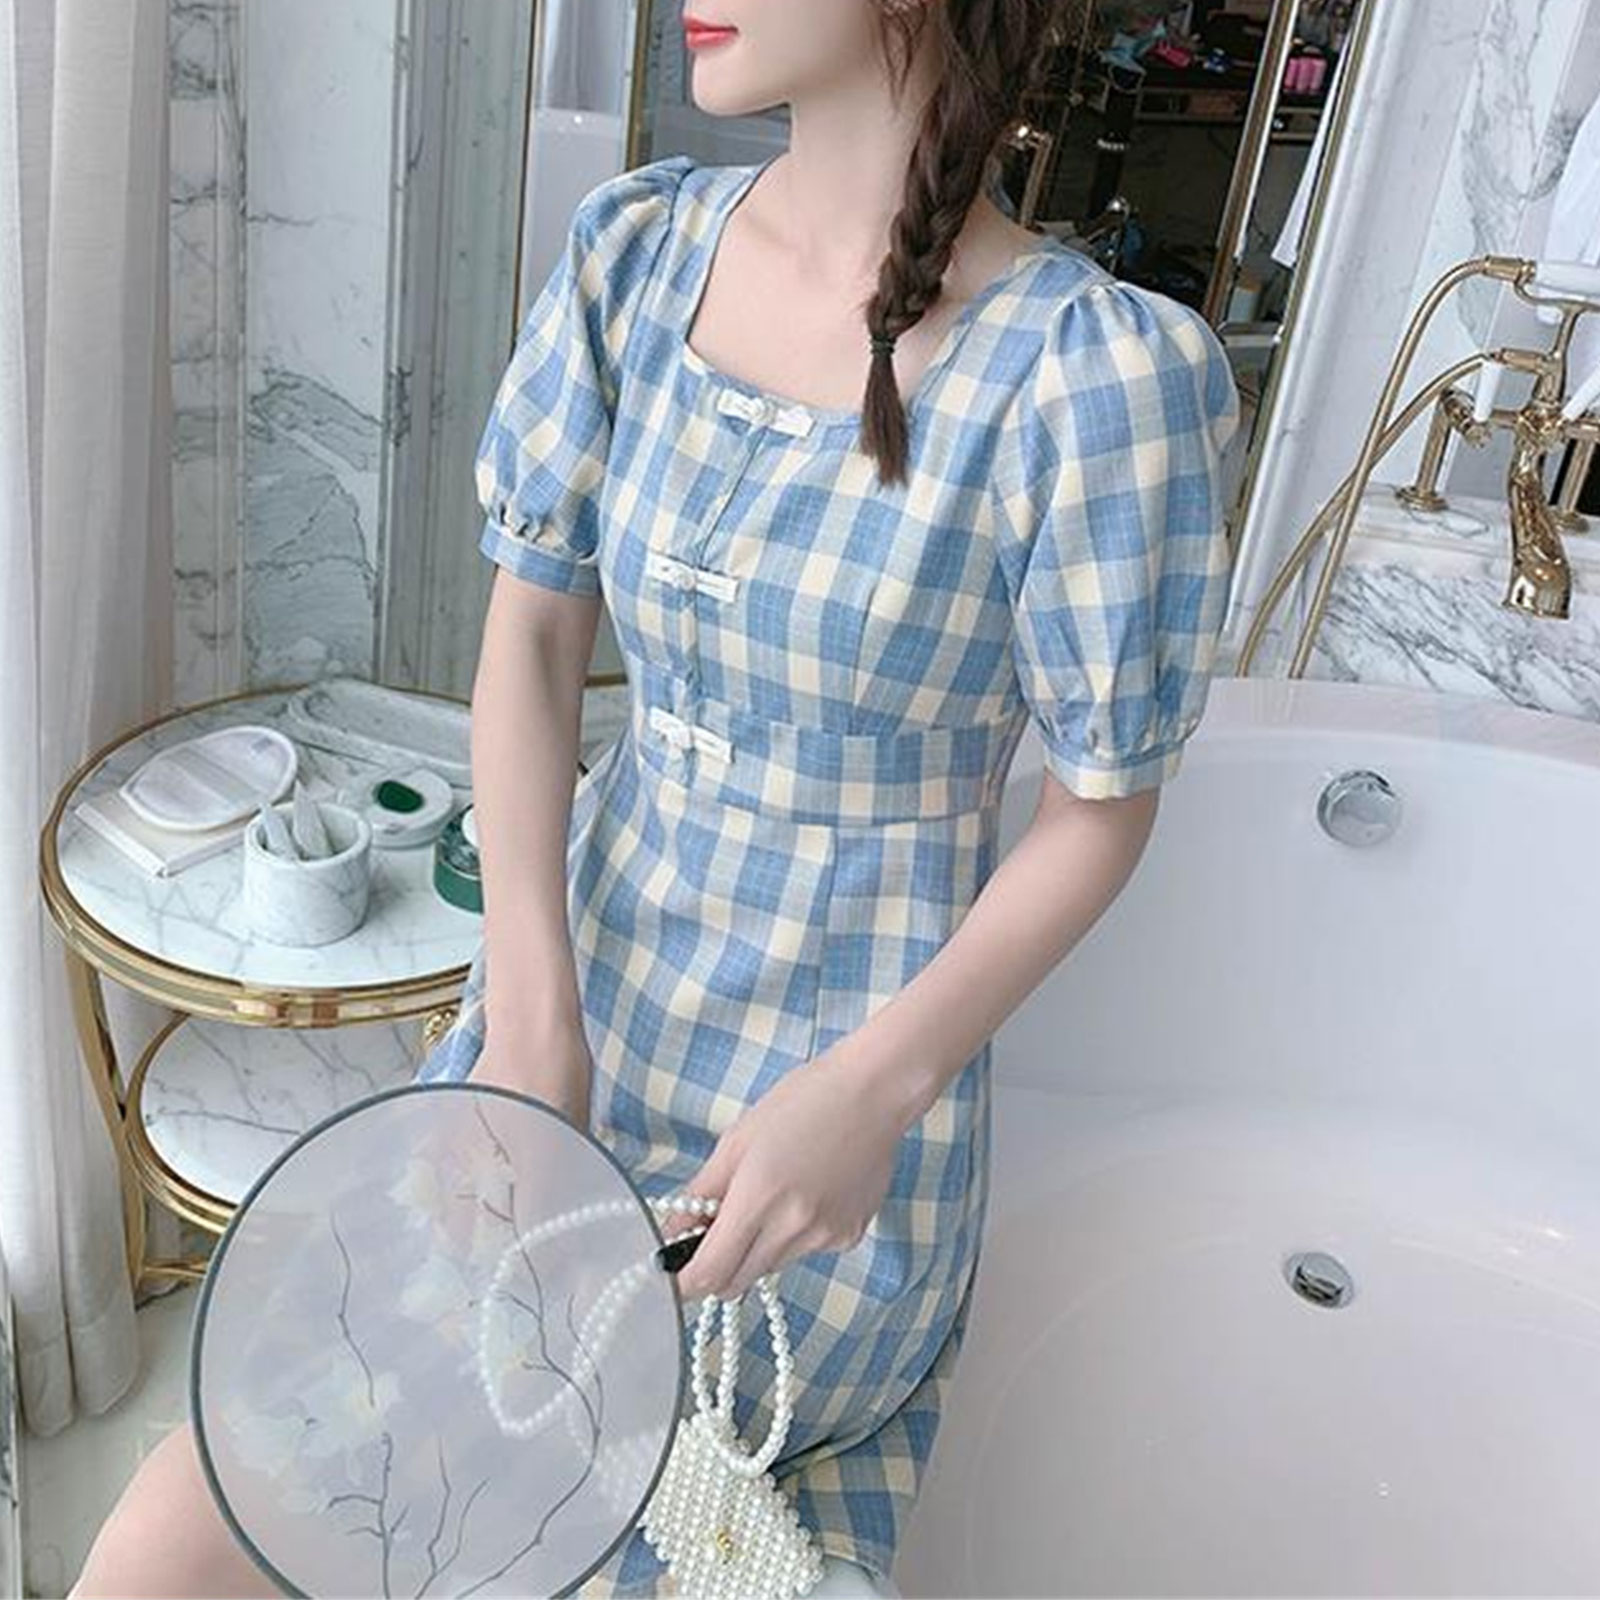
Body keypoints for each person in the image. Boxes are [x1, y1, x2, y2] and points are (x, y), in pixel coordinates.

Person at [71, 0, 1240, 1594]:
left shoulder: (1097, 380)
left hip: (822, 1117)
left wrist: (872, 1096)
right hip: (576, 1004)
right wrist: (531, 1022)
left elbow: (1101, 809)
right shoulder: (636, 255)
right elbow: (532, 640)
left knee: (583, 1500)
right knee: (185, 1529)